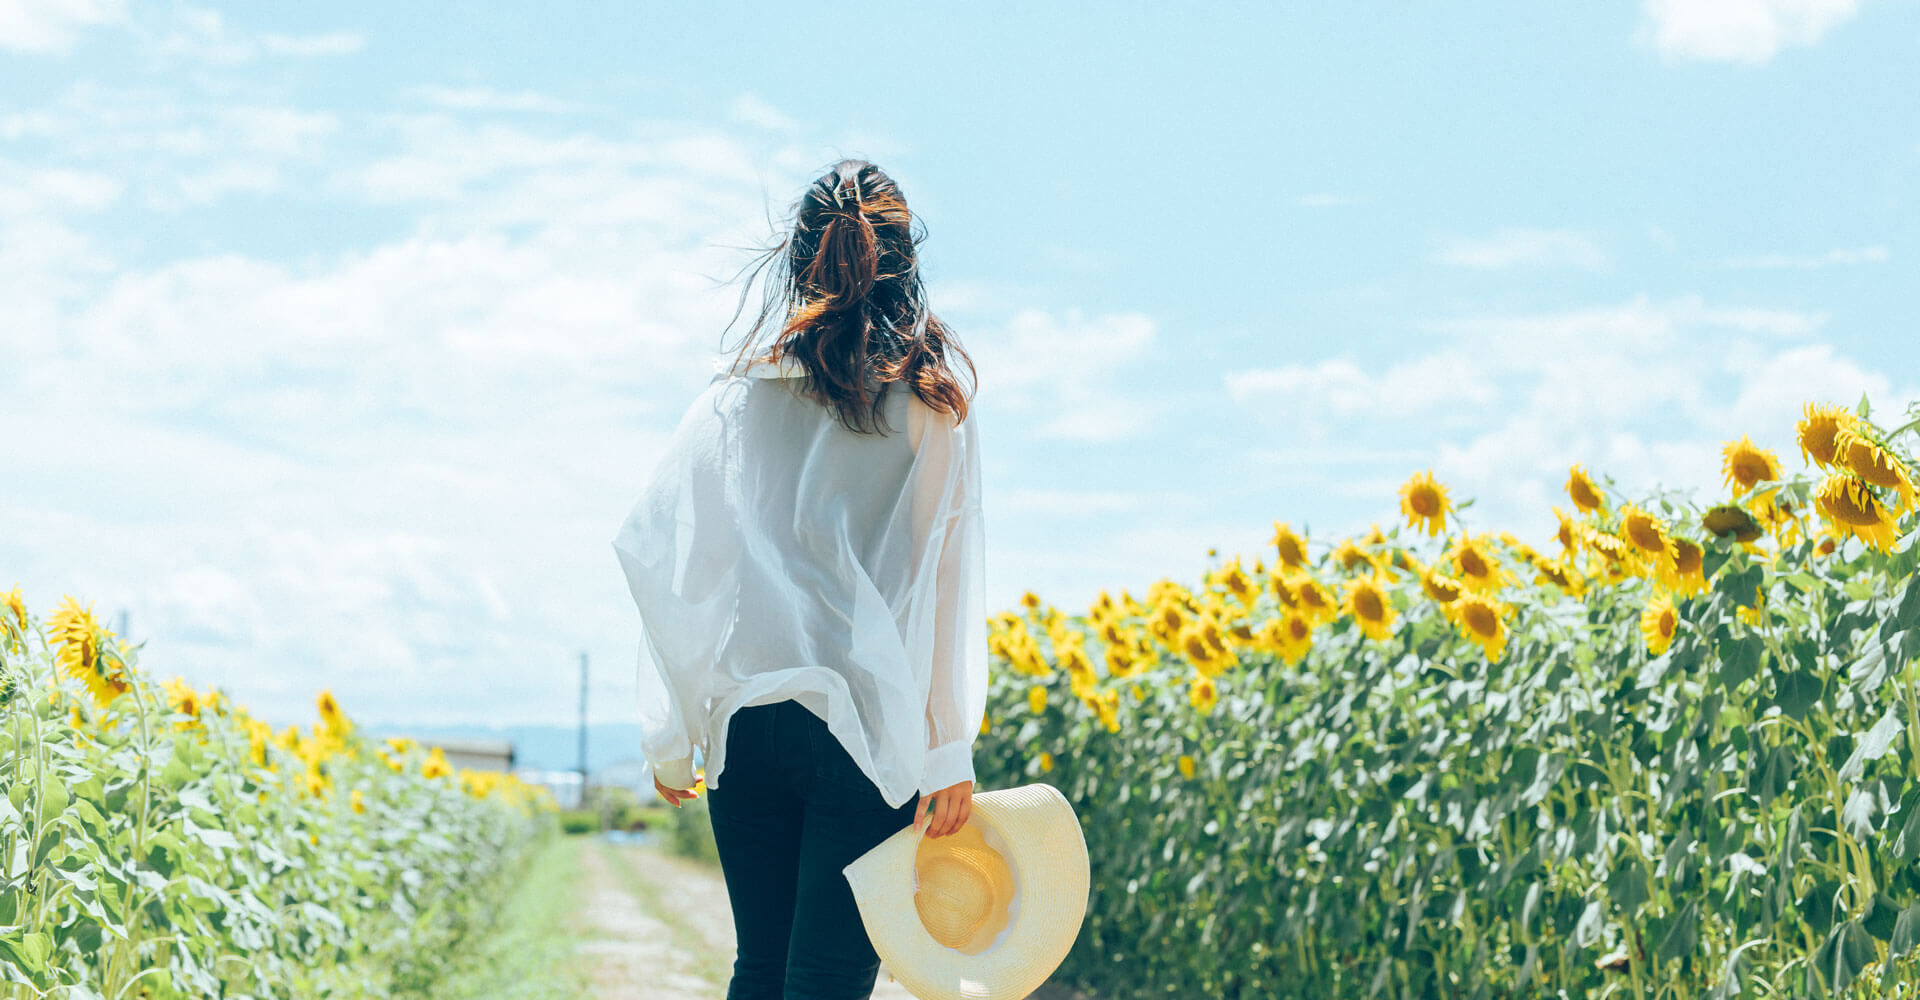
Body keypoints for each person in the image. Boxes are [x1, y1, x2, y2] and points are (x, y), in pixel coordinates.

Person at [610, 158, 988, 1000]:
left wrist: (674, 733)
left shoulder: (736, 402)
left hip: (749, 727)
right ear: (905, 262)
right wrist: (946, 749)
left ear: (796, 262)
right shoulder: (930, 405)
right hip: (863, 729)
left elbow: (675, 564)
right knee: (826, 976)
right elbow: (939, 589)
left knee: (762, 966)